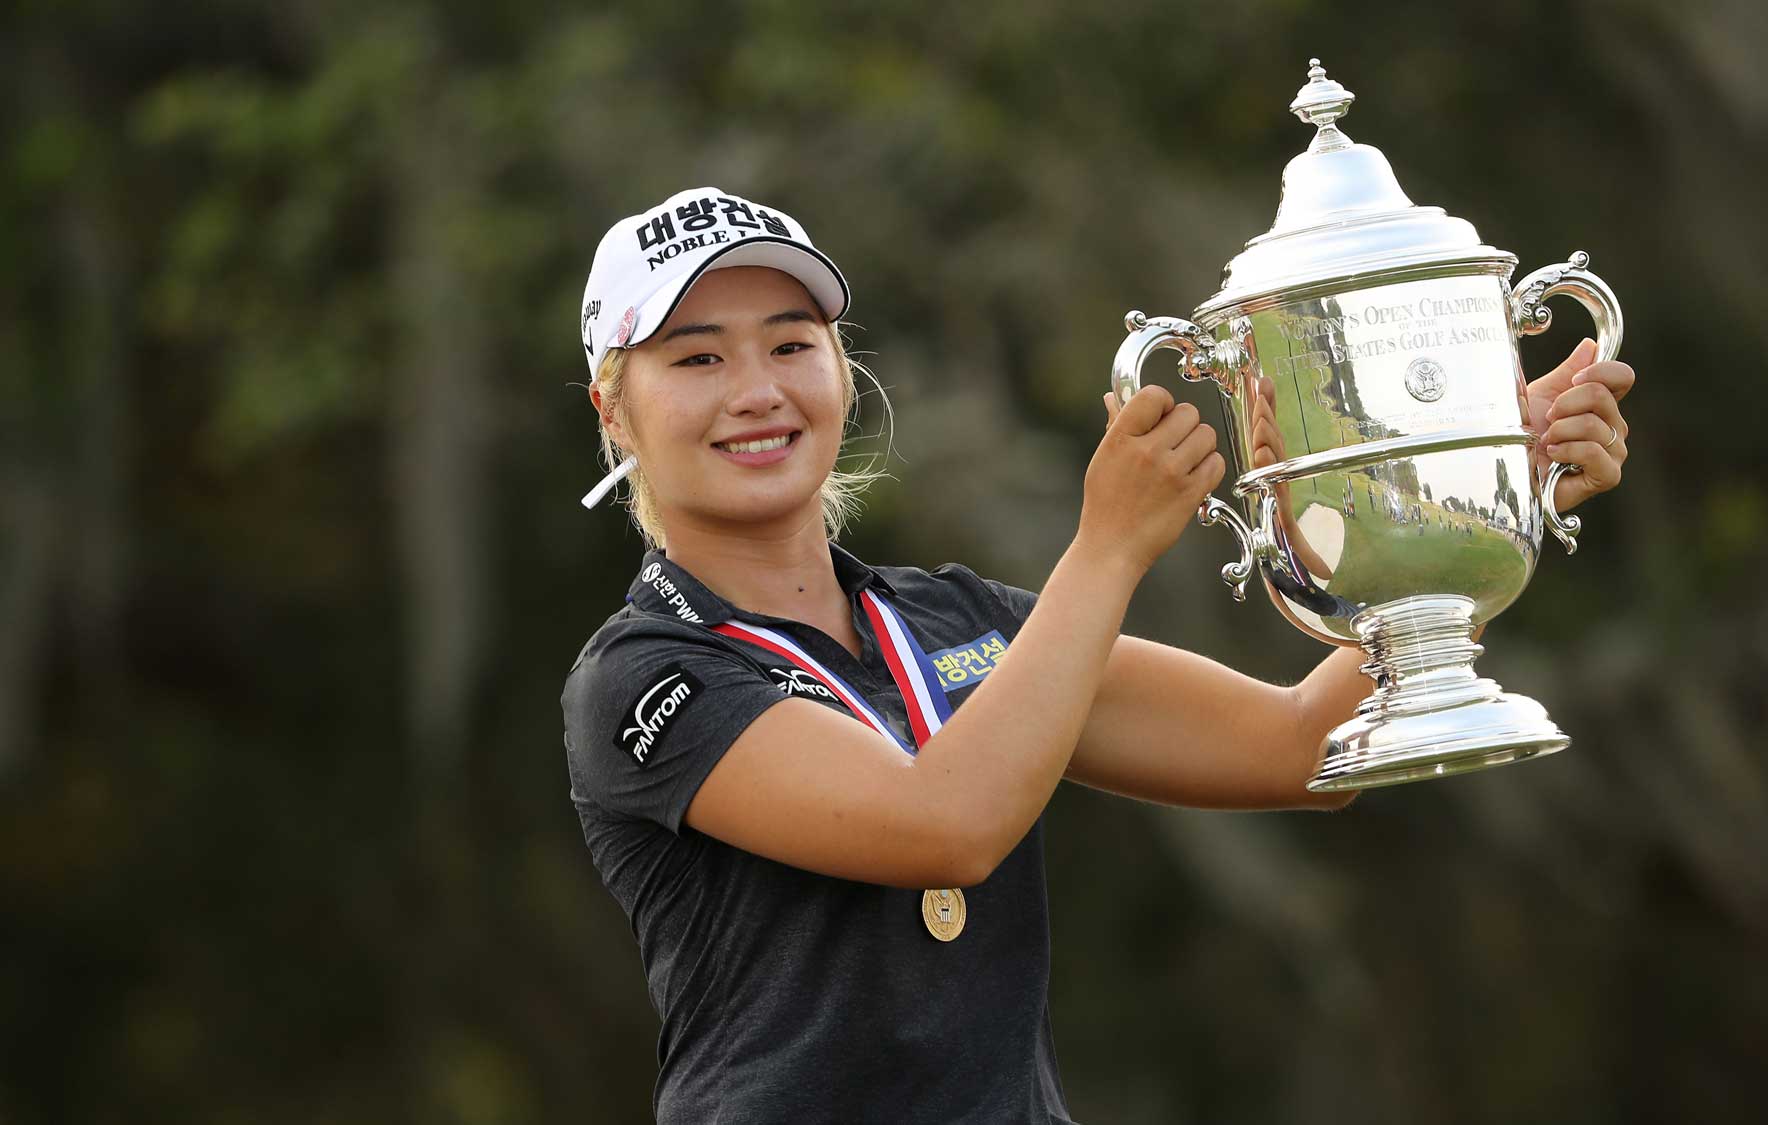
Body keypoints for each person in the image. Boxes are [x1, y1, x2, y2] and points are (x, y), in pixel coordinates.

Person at [562, 188, 1635, 1124]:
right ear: (616, 408)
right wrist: (1109, 546)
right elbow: (946, 826)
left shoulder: (958, 624)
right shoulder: (645, 675)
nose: (756, 390)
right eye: (696, 357)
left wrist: (1482, 503)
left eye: (791, 344)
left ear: (841, 372)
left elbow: (1299, 745)